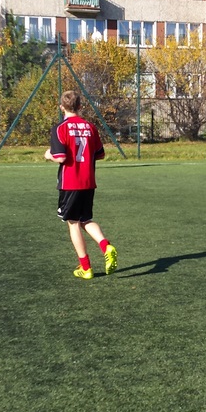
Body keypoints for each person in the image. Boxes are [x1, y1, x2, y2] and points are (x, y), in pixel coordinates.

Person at [45, 90, 118, 280]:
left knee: (73, 223)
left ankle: (86, 268)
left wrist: (48, 155)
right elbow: (100, 154)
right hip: (88, 182)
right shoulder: (90, 127)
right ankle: (105, 245)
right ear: (80, 106)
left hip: (70, 183)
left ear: (62, 107)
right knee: (85, 219)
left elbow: (60, 157)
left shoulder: (60, 128)